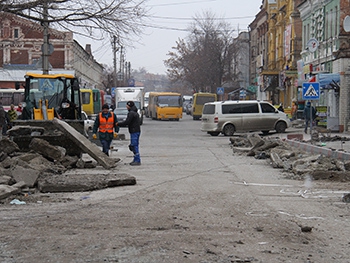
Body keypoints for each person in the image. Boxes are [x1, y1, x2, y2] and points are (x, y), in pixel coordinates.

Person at [117, 100, 141, 166]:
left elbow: (127, 122)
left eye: (127, 105)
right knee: (134, 145)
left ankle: (137, 160)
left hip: (134, 131)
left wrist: (118, 124)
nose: (126, 107)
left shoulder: (131, 113)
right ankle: (136, 159)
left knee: (134, 145)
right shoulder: (135, 112)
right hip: (136, 130)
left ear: (129, 106)